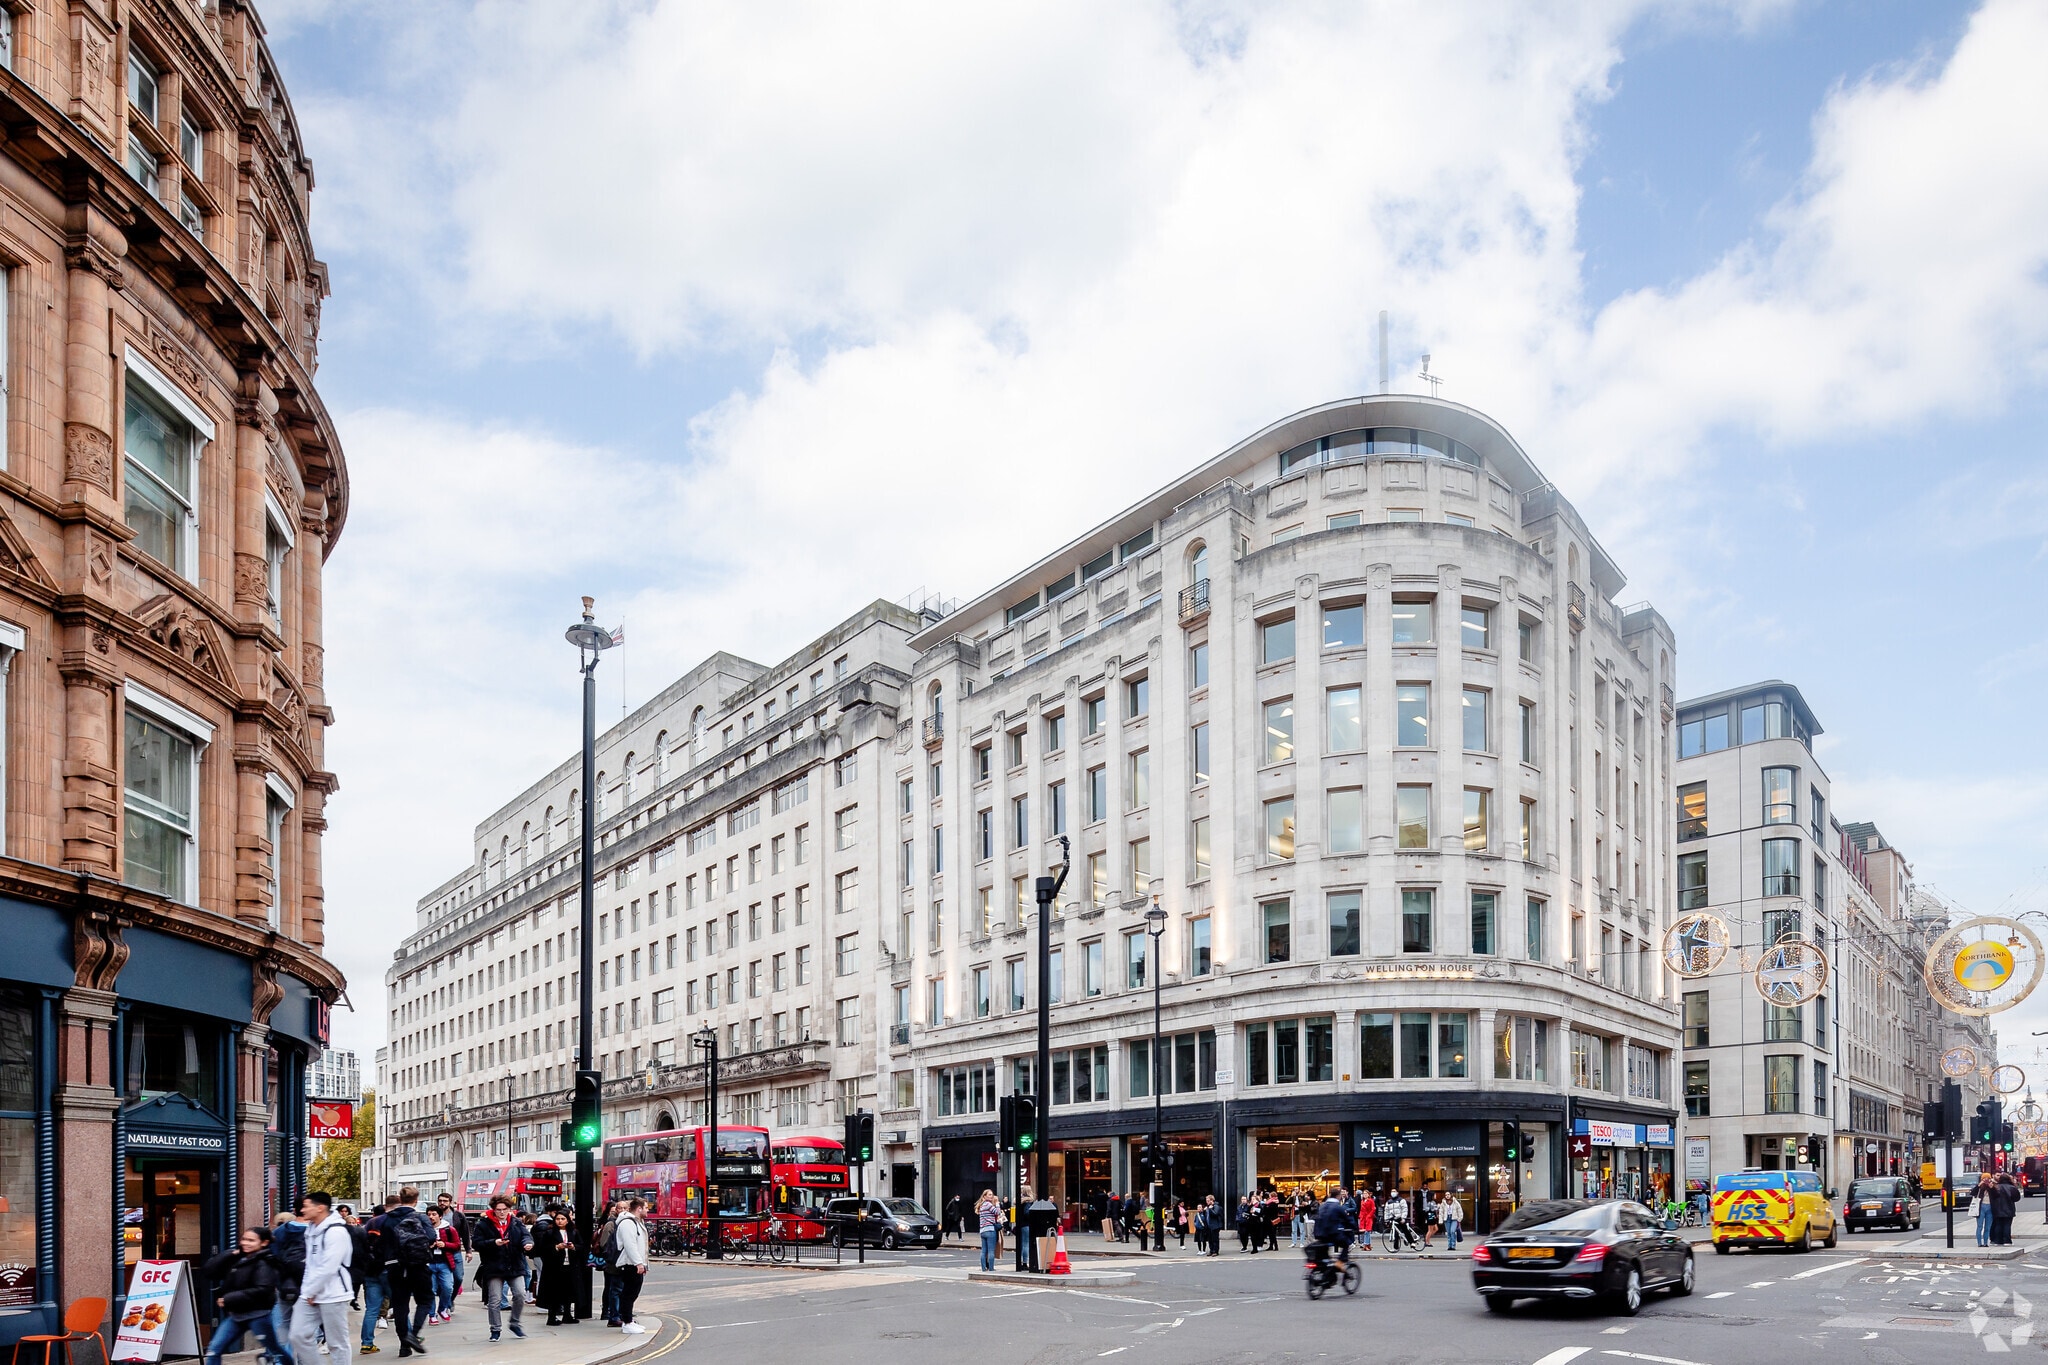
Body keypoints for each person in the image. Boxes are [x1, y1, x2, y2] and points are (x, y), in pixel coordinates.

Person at [289, 1191, 354, 1365]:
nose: (302, 1210)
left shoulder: (336, 1232)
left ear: (320, 1208)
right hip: (310, 1292)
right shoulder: (311, 1229)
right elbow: (311, 1264)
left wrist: (311, 1290)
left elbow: (329, 1266)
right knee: (297, 1335)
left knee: (336, 1343)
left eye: (306, 1206)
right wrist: (308, 1291)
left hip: (334, 1293)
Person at [203, 1225, 284, 1365]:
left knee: (275, 1350)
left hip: (258, 1315)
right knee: (214, 1349)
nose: (245, 1243)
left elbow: (262, 1290)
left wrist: (228, 1299)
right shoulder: (240, 1259)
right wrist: (229, 1253)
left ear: (264, 1243)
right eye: (244, 1239)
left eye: (251, 1240)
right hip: (236, 1315)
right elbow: (209, 1271)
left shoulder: (266, 1262)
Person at [379, 1187, 436, 1357]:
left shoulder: (387, 1219)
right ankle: (414, 1333)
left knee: (400, 1305)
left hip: (395, 1266)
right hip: (418, 1264)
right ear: (416, 1200)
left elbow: (383, 1243)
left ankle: (404, 1345)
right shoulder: (420, 1217)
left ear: (400, 1200)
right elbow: (432, 1236)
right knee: (425, 1300)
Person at [471, 1194, 531, 1342]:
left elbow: (526, 1236)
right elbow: (476, 1243)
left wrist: (527, 1243)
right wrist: (493, 1242)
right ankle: (495, 1329)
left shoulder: (516, 1222)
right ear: (493, 1209)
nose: (502, 1213)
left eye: (505, 1209)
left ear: (510, 1209)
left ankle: (515, 1322)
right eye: (498, 1210)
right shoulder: (483, 1224)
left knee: (520, 1294)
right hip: (494, 1266)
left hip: (514, 1264)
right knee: (495, 1300)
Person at [534, 1209, 582, 1326]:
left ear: (567, 1220)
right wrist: (556, 1247)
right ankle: (552, 1316)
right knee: (554, 1292)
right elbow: (542, 1249)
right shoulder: (549, 1233)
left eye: (562, 1219)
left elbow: (581, 1246)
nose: (560, 1221)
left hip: (569, 1266)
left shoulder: (574, 1232)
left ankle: (567, 1314)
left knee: (569, 1291)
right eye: (558, 1219)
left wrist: (573, 1247)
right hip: (554, 1268)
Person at [614, 1199, 650, 1334]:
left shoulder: (636, 1222)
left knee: (632, 1293)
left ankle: (628, 1321)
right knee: (629, 1294)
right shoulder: (628, 1223)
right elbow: (630, 1245)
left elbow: (640, 1246)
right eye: (646, 1207)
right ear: (639, 1209)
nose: (648, 1210)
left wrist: (643, 1264)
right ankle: (627, 1322)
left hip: (634, 1263)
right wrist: (638, 1263)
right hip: (629, 1264)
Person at [425, 1208, 459, 1324]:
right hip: (429, 1263)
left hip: (444, 1263)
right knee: (431, 1290)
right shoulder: (424, 1229)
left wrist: (445, 1244)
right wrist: (428, 1246)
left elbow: (457, 1245)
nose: (431, 1217)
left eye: (434, 1214)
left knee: (448, 1287)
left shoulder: (449, 1229)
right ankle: (432, 1314)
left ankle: (443, 1308)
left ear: (440, 1216)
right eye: (429, 1214)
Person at [433, 1194, 469, 1302]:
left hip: (454, 1250)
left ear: (450, 1202)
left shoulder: (458, 1216)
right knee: (441, 1280)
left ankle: (450, 1300)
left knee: (458, 1277)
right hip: (439, 1252)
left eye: (445, 1201)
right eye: (440, 1201)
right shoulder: (434, 1215)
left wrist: (468, 1250)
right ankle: (445, 1300)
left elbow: (465, 1233)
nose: (442, 1203)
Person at [594, 1200, 624, 1327]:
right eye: (620, 1208)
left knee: (618, 1289)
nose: (622, 1211)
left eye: (625, 1208)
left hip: (621, 1262)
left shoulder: (625, 1223)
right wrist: (611, 1256)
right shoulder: (610, 1224)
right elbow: (603, 1244)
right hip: (612, 1262)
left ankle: (618, 1313)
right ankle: (609, 1313)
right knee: (611, 1289)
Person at [976, 1188, 1002, 1272]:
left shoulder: (982, 1205)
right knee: (991, 1250)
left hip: (983, 1230)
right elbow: (997, 1212)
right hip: (990, 1229)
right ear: (984, 1196)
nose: (992, 1196)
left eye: (992, 1194)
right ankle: (991, 1268)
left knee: (984, 1250)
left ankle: (984, 1268)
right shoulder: (988, 1204)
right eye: (990, 1195)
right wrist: (997, 1203)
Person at [1992, 1173, 2021, 1246]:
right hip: (2008, 1208)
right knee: (2007, 1225)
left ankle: (1998, 1241)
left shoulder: (1996, 1187)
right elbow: (2016, 1198)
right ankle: (2007, 1240)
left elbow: (1992, 1197)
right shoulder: (2011, 1188)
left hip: (1997, 1209)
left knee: (1998, 1225)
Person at [1976, 1174, 1998, 1247]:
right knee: (1980, 1226)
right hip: (1981, 1207)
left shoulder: (1991, 1187)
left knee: (1987, 1227)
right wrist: (1979, 1185)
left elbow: (1997, 1196)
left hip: (1990, 1207)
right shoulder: (1980, 1187)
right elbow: (1972, 1193)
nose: (1986, 1180)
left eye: (1988, 1178)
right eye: (1984, 1178)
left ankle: (1985, 1242)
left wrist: (1992, 1188)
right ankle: (1979, 1243)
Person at [1357, 1188, 1377, 1252]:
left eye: (1366, 1193)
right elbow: (1361, 1210)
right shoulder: (1362, 1201)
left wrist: (1369, 1215)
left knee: (1367, 1232)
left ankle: (1366, 1245)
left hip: (1368, 1218)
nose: (1364, 1195)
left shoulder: (1371, 1201)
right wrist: (1360, 1216)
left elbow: (1373, 1209)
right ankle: (1367, 1245)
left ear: (1368, 1194)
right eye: (1363, 1194)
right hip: (1363, 1218)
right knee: (1365, 1232)